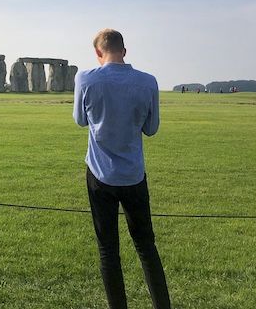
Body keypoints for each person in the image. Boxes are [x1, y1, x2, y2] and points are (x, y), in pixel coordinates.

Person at [73, 29, 171, 309]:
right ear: (124, 51)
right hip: (133, 174)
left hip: (99, 173)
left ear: (98, 53)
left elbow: (80, 120)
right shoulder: (148, 82)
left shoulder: (85, 78)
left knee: (108, 250)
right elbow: (151, 129)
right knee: (146, 247)